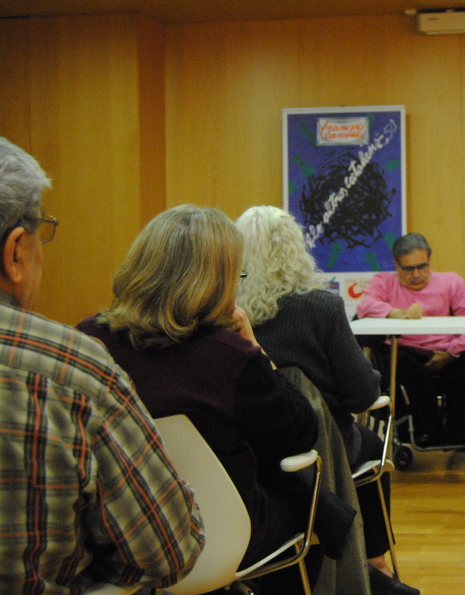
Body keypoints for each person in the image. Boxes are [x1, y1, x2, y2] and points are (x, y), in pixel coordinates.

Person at [76, 204, 327, 594]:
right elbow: (300, 434)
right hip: (222, 537)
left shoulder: (87, 340)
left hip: (114, 536)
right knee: (313, 514)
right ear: (216, 282)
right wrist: (255, 347)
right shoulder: (230, 356)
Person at [0, 137, 203, 593]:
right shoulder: (72, 368)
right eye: (41, 233)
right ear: (14, 252)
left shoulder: (92, 335)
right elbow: (169, 551)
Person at [235, 205, 418, 595]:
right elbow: (363, 395)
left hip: (250, 452)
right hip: (321, 448)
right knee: (372, 445)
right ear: (294, 250)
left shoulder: (226, 314)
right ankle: (375, 558)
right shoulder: (322, 306)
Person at [357, 233, 465, 448]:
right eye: (408, 269)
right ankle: (425, 431)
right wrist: (396, 313)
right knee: (401, 365)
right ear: (397, 265)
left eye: (422, 266)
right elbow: (365, 306)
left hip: (447, 351)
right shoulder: (385, 282)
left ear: (429, 259)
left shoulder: (451, 281)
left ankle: (460, 430)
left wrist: (451, 352)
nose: (416, 274)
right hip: (405, 352)